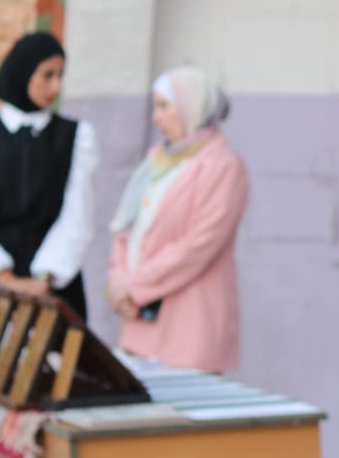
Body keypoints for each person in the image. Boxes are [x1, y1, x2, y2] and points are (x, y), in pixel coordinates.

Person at [0, 32, 98, 380]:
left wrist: (44, 278)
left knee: (56, 378)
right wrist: (3, 277)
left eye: (60, 75)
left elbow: (78, 215)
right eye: (47, 75)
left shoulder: (76, 136)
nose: (55, 86)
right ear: (22, 72)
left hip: (55, 285)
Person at [105, 67, 248, 373]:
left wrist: (133, 285)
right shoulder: (158, 160)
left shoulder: (222, 166)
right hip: (140, 322)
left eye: (164, 106)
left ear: (191, 107)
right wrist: (118, 278)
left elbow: (199, 245)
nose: (156, 118)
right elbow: (126, 225)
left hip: (188, 324)